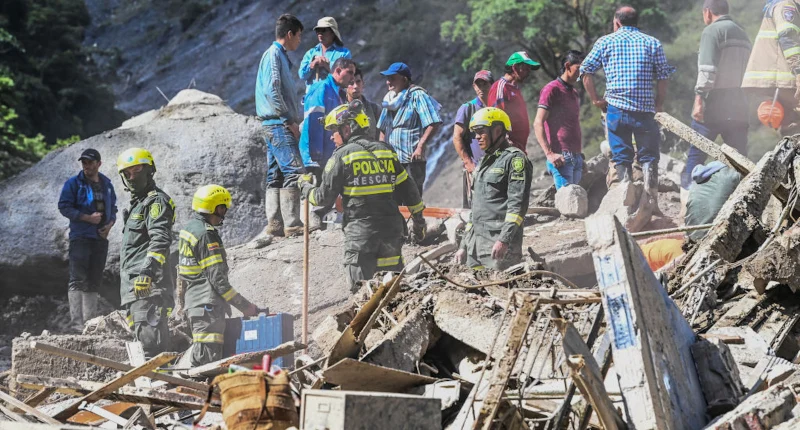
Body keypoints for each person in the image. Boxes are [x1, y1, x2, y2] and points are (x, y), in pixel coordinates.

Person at [299, 101, 427, 291]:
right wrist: (419, 222)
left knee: (363, 295)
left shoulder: (341, 156)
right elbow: (409, 190)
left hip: (361, 237)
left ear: (347, 129)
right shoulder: (386, 151)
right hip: (391, 233)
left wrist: (304, 186)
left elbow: (321, 198)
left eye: (334, 131)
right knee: (393, 292)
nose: (332, 137)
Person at [581, 6, 675, 209]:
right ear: (636, 22)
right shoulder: (652, 42)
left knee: (621, 157)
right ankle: (651, 203)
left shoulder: (605, 42)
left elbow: (585, 70)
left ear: (617, 22)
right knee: (649, 157)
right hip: (645, 112)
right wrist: (659, 104)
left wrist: (596, 99)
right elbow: (663, 76)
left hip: (616, 110)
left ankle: (626, 204)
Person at [177, 185, 262, 366]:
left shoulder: (190, 229)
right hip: (207, 307)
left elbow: (182, 275)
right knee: (208, 363)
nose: (224, 212)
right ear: (213, 208)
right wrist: (244, 306)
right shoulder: (206, 235)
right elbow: (217, 279)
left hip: (195, 304)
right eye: (223, 208)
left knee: (203, 356)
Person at [684, 0, 751, 211]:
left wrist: (699, 99)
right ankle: (742, 205)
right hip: (739, 102)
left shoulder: (712, 31)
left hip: (715, 103)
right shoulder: (743, 34)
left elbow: (707, 71)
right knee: (740, 159)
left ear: (707, 12)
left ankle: (687, 202)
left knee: (697, 151)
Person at [455, 108, 533, 271]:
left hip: (497, 247)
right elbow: (476, 210)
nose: (476, 137)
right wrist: (463, 245)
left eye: (481, 132)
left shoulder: (515, 160)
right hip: (474, 248)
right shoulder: (485, 162)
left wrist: (504, 240)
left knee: (501, 286)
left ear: (497, 130)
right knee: (475, 287)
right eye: (475, 133)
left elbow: (517, 206)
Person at [117, 148, 176, 359]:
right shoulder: (137, 206)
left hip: (148, 287)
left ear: (150, 170)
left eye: (137, 170)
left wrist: (147, 272)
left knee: (152, 349)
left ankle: (161, 379)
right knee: (142, 347)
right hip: (133, 288)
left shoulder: (155, 201)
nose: (132, 177)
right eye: (127, 173)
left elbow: (160, 239)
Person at [255, 14, 307, 240]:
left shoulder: (277, 55)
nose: (300, 40)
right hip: (278, 123)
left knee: (275, 174)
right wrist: (289, 120)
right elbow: (273, 89)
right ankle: (293, 225)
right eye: (299, 35)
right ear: (290, 34)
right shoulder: (274, 54)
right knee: (294, 171)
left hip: (272, 122)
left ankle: (275, 224)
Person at [58, 149, 117, 331]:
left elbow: (113, 208)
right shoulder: (73, 183)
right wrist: (87, 218)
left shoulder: (107, 184)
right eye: (84, 162)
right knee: (77, 279)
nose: (86, 166)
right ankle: (76, 323)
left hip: (100, 238)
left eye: (90, 162)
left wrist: (110, 225)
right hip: (81, 237)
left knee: (94, 280)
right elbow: (64, 206)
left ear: (99, 164)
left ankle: (90, 323)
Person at [377, 62, 443, 197]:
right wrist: (382, 151)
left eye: (392, 78)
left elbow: (434, 122)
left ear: (404, 79)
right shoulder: (389, 100)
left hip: (412, 161)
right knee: (393, 201)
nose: (388, 82)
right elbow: (382, 128)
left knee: (412, 200)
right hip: (392, 162)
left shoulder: (417, 96)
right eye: (387, 78)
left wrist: (420, 146)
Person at [742, 0, 800, 136]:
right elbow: (788, 38)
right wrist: (798, 72)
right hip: (785, 80)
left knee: (792, 124)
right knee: (793, 124)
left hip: (783, 81)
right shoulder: (786, 6)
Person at [534, 50, 585, 189]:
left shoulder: (574, 93)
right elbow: (538, 123)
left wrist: (579, 156)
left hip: (576, 157)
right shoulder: (552, 89)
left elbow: (572, 124)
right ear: (568, 66)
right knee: (568, 200)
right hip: (561, 157)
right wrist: (550, 154)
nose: (582, 73)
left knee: (577, 199)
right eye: (579, 68)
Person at [299, 57, 356, 174]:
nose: (352, 78)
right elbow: (314, 121)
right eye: (350, 73)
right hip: (316, 160)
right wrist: (316, 155)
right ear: (338, 70)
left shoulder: (338, 93)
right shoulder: (322, 88)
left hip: (328, 157)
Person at [453, 70, 494, 208]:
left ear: (492, 85)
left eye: (485, 83)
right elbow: (457, 137)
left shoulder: (498, 108)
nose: (481, 88)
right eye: (478, 84)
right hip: (476, 167)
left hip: (498, 167)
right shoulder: (467, 108)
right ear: (474, 86)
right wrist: (468, 163)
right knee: (478, 207)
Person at [488, 52, 541, 153]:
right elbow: (495, 118)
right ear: (515, 67)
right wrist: (506, 144)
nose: (528, 72)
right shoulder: (500, 87)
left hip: (519, 149)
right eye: (526, 68)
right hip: (508, 150)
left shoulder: (514, 88)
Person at [298, 17, 352, 90]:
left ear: (332, 33)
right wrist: (311, 65)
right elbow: (302, 75)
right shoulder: (310, 53)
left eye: (323, 30)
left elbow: (345, 77)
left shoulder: (344, 54)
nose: (320, 34)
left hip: (334, 95)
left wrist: (326, 65)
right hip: (312, 96)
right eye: (318, 31)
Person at [342, 67, 381, 140]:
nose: (355, 86)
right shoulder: (340, 109)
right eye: (351, 83)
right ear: (345, 85)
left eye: (358, 82)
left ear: (363, 83)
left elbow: (380, 136)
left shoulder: (375, 109)